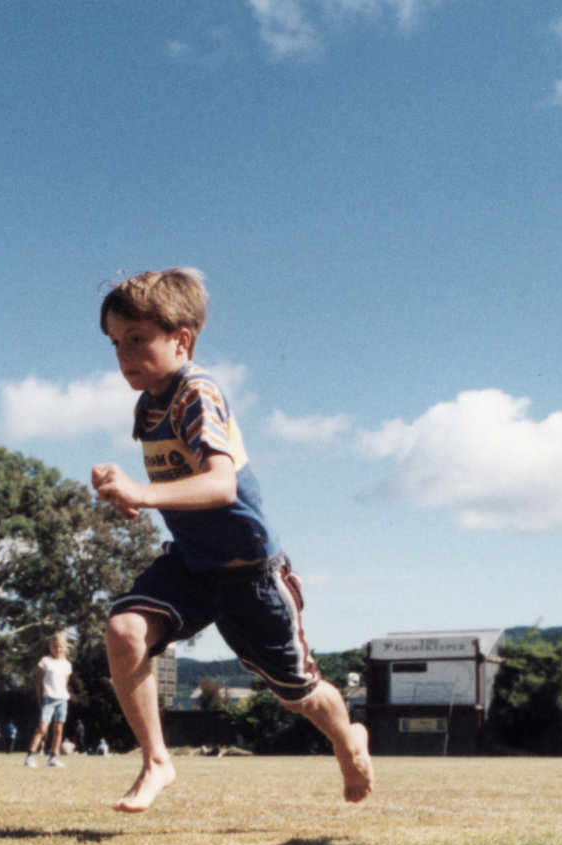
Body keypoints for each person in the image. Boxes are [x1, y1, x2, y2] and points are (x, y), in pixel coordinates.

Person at [90, 268, 373, 813]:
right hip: (193, 566)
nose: (123, 355)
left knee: (300, 695)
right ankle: (156, 761)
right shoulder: (148, 404)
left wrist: (141, 493)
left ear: (182, 339)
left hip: (251, 576)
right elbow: (176, 487)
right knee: (124, 630)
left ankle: (347, 740)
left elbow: (221, 484)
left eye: (137, 339)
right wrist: (128, 498)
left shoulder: (196, 393)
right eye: (115, 343)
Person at [25, 632, 74, 767]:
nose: (57, 650)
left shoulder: (67, 665)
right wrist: (40, 697)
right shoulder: (45, 661)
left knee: (58, 730)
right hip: (48, 698)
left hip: (62, 700)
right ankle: (30, 756)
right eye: (54, 647)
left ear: (65, 648)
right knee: (42, 728)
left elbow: (65, 683)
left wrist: (62, 695)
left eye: (60, 647)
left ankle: (53, 757)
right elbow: (38, 681)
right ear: (50, 647)